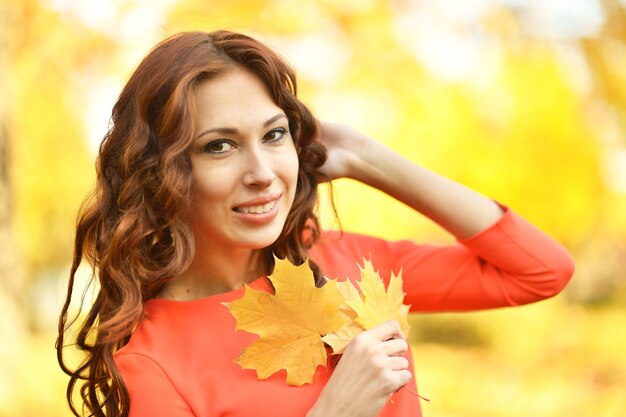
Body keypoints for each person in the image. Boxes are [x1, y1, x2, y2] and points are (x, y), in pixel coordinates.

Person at [56, 30, 575, 417]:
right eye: (220, 146)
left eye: (274, 135)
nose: (262, 174)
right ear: (162, 172)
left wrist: (368, 158)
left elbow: (541, 271)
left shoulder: (347, 262)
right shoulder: (153, 361)